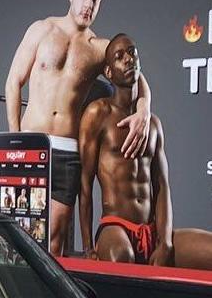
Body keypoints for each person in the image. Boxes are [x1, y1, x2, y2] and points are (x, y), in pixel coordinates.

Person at [4, 0, 151, 253]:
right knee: (18, 235)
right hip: (31, 144)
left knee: (54, 238)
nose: (88, 4)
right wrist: (14, 140)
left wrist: (143, 110)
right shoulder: (42, 29)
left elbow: (139, 77)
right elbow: (12, 83)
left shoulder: (99, 48)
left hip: (66, 152)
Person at [78, 35, 212, 267]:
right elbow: (85, 184)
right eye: (120, 57)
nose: (129, 59)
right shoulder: (98, 114)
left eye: (132, 52)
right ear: (109, 73)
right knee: (122, 256)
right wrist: (88, 247)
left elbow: (162, 186)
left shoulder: (153, 124)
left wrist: (165, 242)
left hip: (152, 230)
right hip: (115, 228)